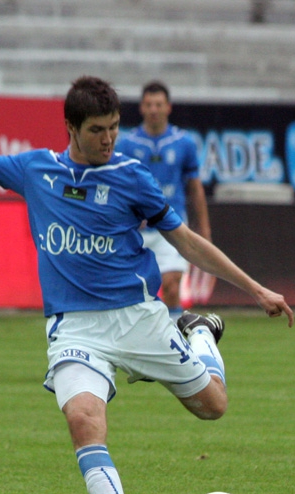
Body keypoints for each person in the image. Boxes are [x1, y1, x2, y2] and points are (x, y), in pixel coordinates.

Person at [0, 76, 293, 494]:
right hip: (74, 328)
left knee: (213, 407)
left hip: (137, 317)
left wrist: (254, 289)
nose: (108, 139)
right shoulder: (36, 170)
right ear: (70, 128)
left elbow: (185, 241)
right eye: (96, 130)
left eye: (113, 128)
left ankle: (201, 332)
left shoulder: (132, 177)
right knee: (83, 418)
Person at [116, 81, 212, 318]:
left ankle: (175, 347)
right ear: (141, 108)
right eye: (149, 104)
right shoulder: (127, 144)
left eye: (158, 104)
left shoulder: (184, 143)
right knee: (131, 293)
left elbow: (195, 188)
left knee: (171, 286)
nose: (154, 109)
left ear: (168, 107)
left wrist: (204, 230)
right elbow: (118, 187)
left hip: (171, 225)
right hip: (136, 229)